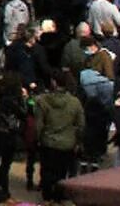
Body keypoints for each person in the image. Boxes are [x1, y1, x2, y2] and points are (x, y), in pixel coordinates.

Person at [34, 72, 83, 203]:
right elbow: (81, 125)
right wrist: (77, 141)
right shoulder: (75, 102)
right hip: (67, 143)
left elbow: (38, 124)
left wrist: (37, 139)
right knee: (62, 172)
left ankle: (47, 197)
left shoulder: (42, 101)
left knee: (46, 170)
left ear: (54, 82)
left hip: (48, 142)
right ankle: (58, 196)